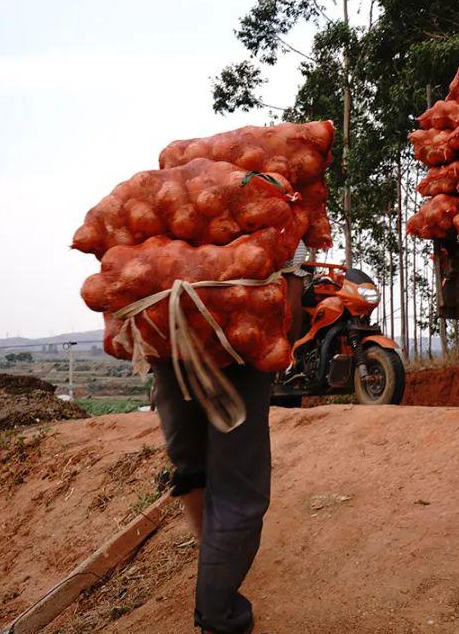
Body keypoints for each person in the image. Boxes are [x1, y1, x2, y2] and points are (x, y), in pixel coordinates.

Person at [150, 239, 310, 634]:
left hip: (170, 345)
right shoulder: (271, 216)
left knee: (190, 468)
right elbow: (290, 308)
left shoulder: (169, 216)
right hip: (241, 345)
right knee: (238, 490)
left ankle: (213, 562)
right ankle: (218, 616)